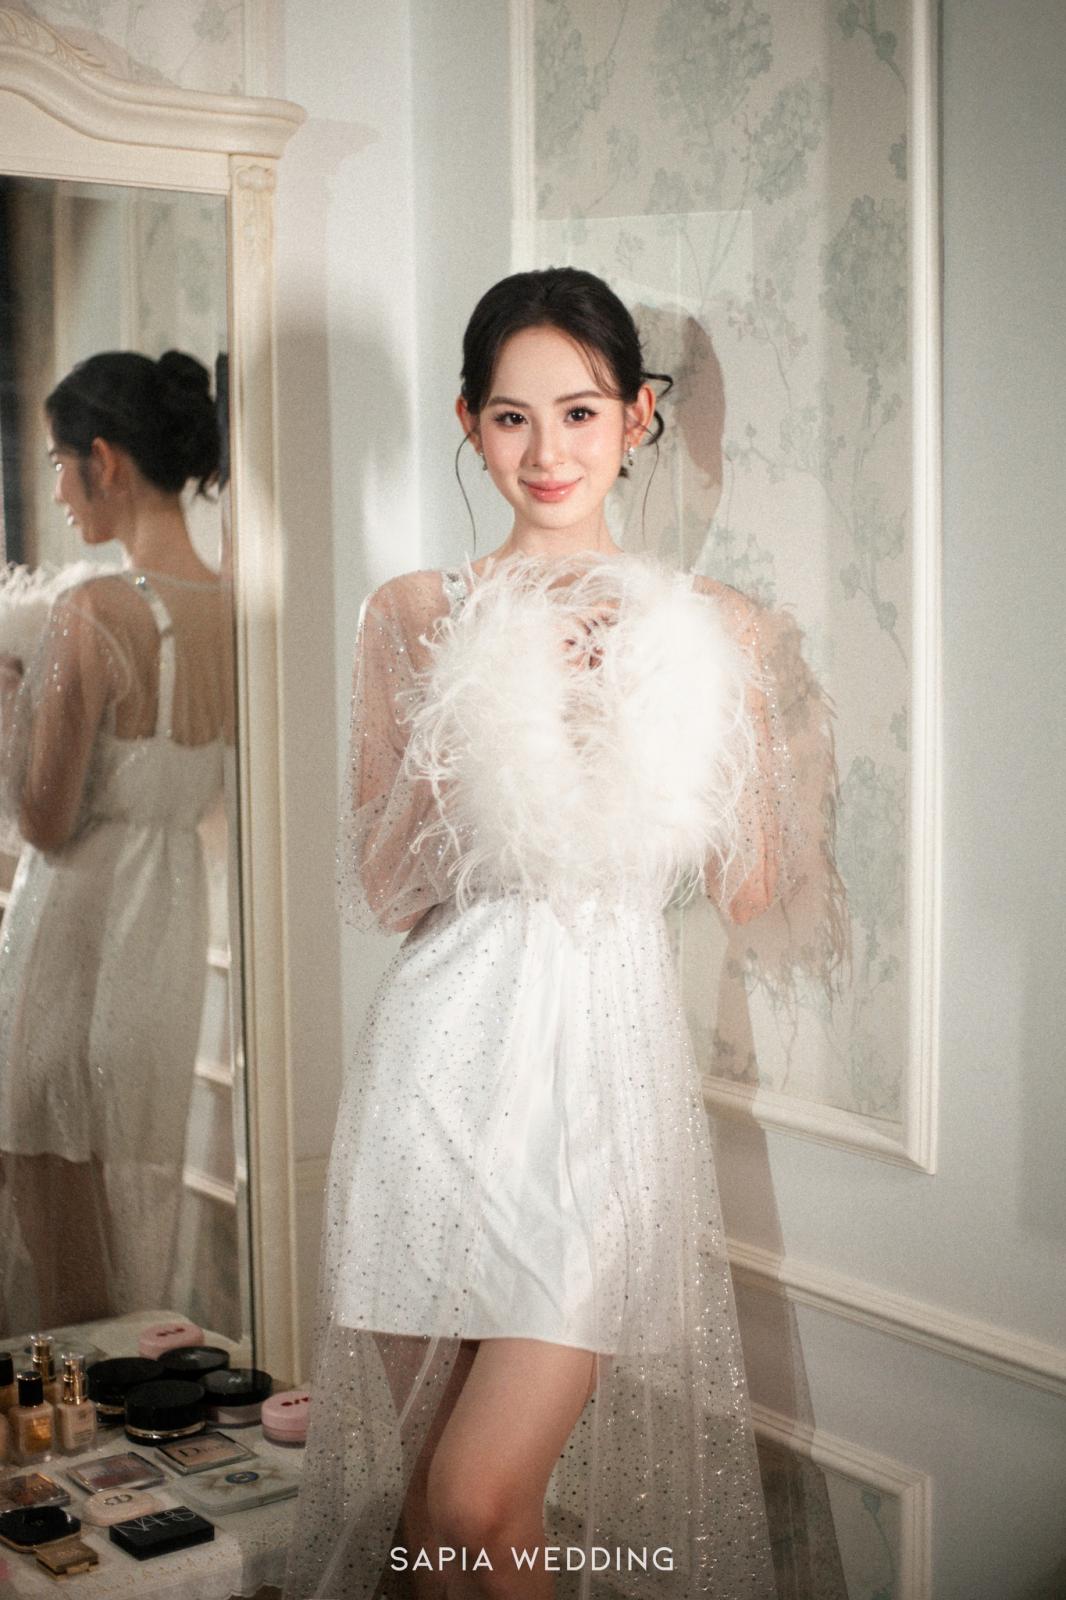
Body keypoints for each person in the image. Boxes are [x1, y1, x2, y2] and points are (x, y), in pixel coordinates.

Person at [284, 267, 801, 1600]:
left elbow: (749, 887)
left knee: (481, 1496)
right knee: (433, 1516)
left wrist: (705, 710)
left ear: (636, 418)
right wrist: (476, 717)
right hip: (434, 1073)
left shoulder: (713, 626)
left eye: (578, 412)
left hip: (596, 1085)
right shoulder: (414, 612)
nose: (547, 451)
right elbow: (384, 889)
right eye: (511, 417)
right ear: (468, 424)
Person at [0, 349, 233, 1330]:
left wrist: (8, 703)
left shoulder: (92, 611)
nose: (57, 491)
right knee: (132, 1209)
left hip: (73, 935)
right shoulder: (237, 609)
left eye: (60, 463)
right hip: (167, 935)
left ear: (104, 460)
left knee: (55, 1225)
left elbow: (44, 820)